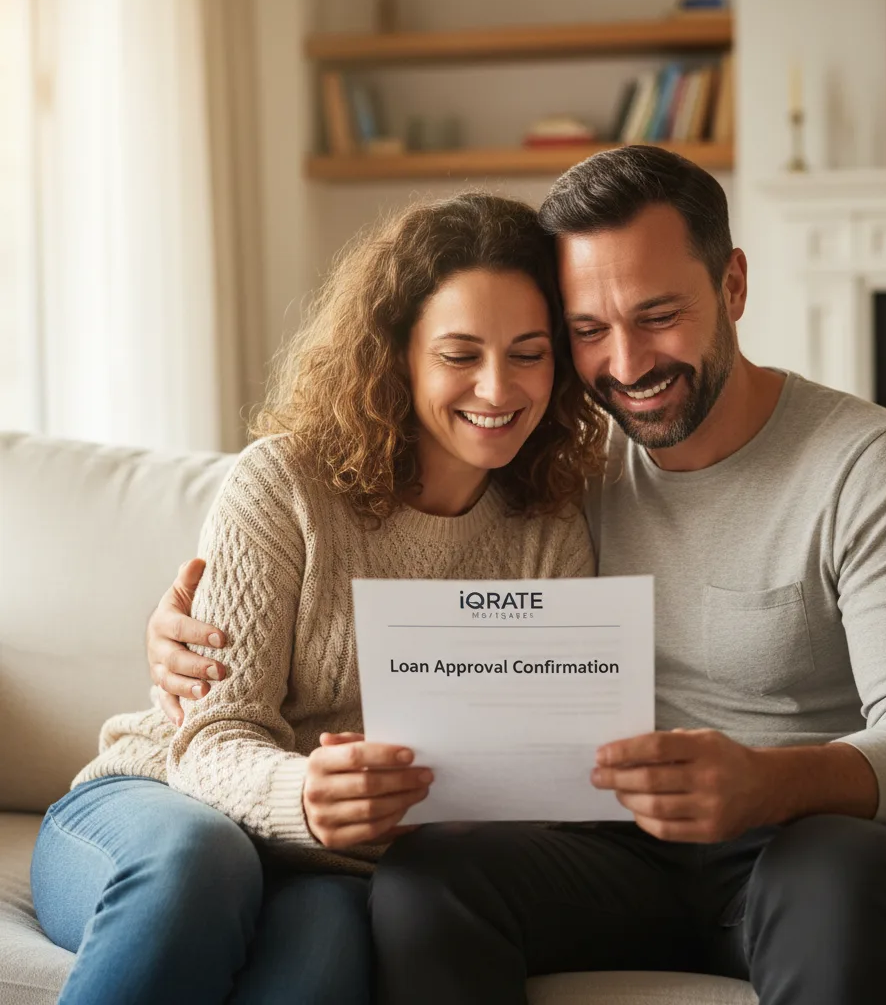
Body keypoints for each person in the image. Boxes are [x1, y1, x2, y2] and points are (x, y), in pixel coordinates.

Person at [148, 148, 886, 1005]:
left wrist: (771, 783)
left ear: (732, 287)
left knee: (832, 871)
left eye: (659, 315)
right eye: (588, 330)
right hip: (620, 849)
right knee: (429, 877)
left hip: (817, 845)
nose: (626, 365)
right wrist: (192, 626)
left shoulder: (871, 467)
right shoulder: (563, 472)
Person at [30, 193, 606, 1005]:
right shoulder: (283, 484)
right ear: (397, 355)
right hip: (158, 804)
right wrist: (302, 794)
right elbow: (213, 732)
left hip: (337, 868)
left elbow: (537, 774)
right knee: (205, 861)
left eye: (528, 352)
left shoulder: (551, 532)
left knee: (327, 961)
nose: (496, 385)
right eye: (459, 353)